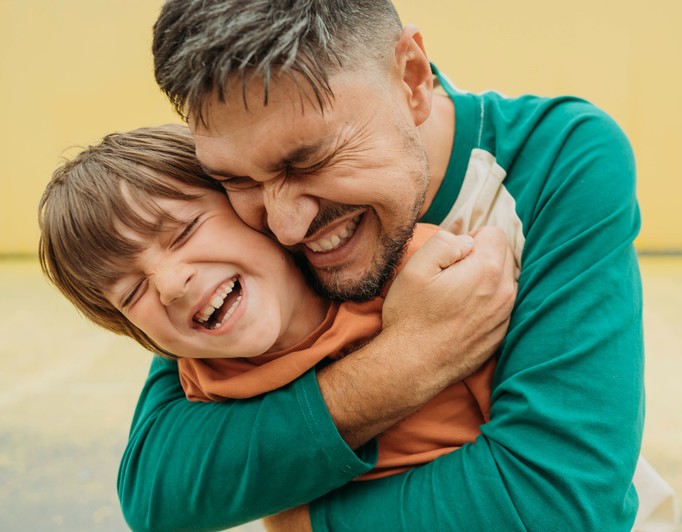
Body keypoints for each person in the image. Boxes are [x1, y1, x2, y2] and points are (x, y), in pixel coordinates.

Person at [117, 0, 655, 530]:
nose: (284, 227)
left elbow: (560, 504)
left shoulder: (558, 157)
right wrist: (409, 361)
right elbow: (157, 488)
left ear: (413, 78)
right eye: (237, 179)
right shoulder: (246, 219)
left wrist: (304, 524)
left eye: (309, 160)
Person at [38, 124, 496, 488]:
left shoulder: (423, 275)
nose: (172, 285)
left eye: (182, 232)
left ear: (248, 204)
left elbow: (538, 454)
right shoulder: (202, 386)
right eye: (132, 293)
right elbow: (155, 496)